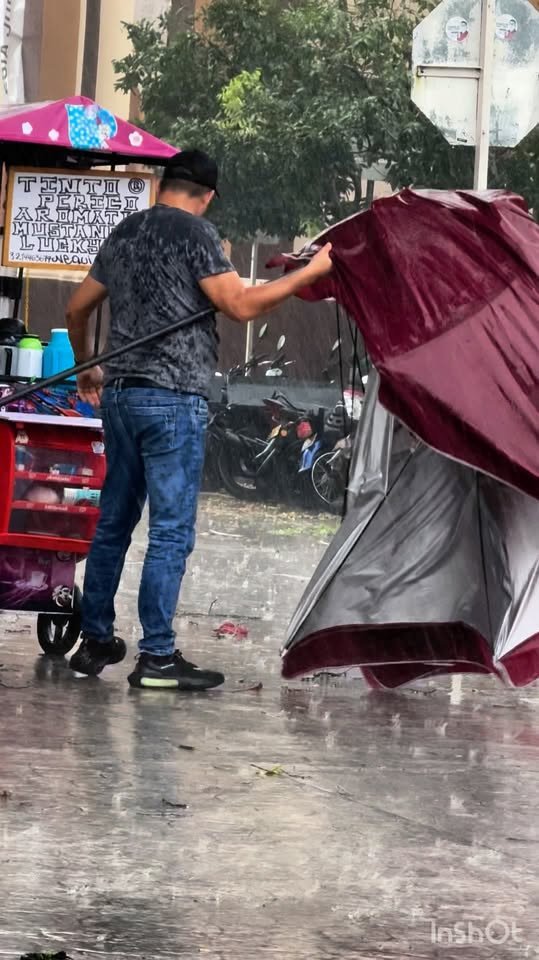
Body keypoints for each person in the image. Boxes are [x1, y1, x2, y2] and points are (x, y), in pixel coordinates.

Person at [65, 148, 333, 691]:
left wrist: (85, 369)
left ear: (166, 183)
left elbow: (76, 309)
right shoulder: (195, 234)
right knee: (169, 531)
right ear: (207, 196)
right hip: (172, 399)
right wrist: (311, 274)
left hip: (119, 395)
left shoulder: (124, 232)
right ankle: (157, 657)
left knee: (114, 523)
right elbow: (239, 305)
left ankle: (95, 640)